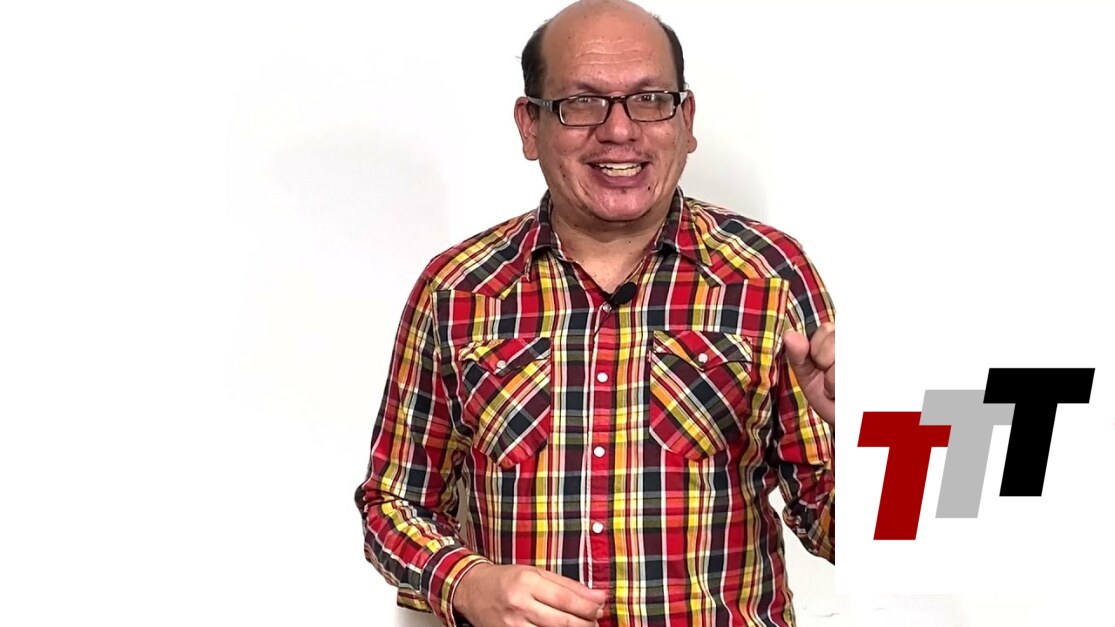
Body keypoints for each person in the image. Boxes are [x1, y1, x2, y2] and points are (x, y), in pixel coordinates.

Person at [354, 1, 836, 625]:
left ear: (686, 121)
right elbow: (393, 502)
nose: (619, 130)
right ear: (530, 125)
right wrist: (465, 583)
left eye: (650, 100)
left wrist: (873, 432)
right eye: (582, 103)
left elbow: (832, 524)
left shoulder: (771, 275)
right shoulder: (456, 290)